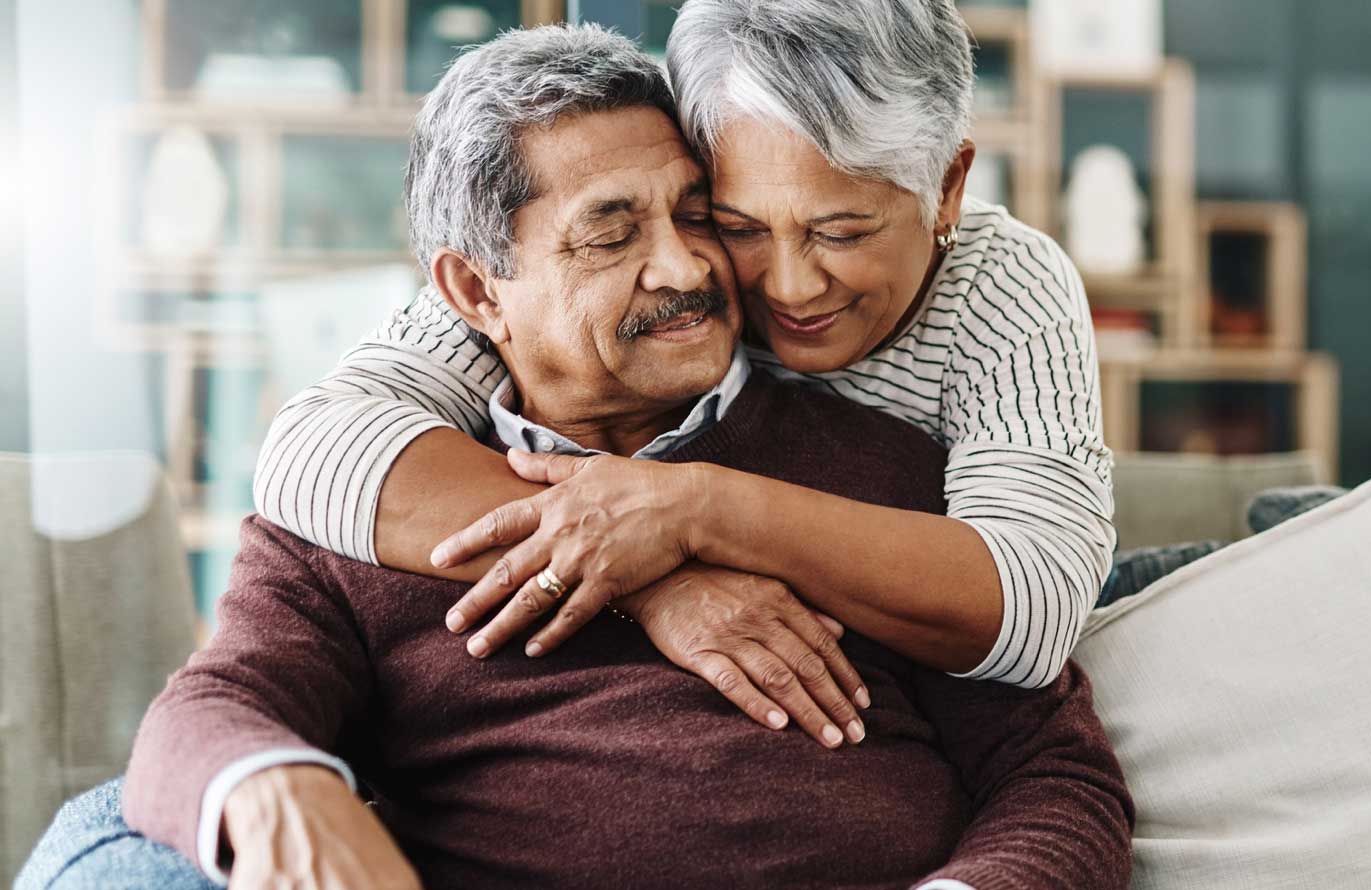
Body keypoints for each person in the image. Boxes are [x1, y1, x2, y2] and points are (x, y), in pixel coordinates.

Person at [16, 26, 1131, 888]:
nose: (687, 267)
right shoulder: (367, 506)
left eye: (699, 214)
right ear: (471, 292)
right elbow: (204, 714)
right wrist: (276, 789)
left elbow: (1054, 770)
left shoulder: (880, 473)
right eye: (610, 235)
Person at [253, 0, 1114, 742]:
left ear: (949, 188)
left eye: (841, 232)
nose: (787, 285)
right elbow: (311, 450)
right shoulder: (609, 276)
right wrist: (656, 571)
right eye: (735, 223)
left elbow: (1034, 609)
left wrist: (696, 509)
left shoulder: (1003, 285)